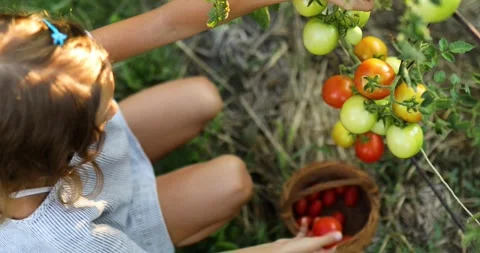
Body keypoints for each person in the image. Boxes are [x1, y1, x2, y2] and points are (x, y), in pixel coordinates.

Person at [0, 0, 373, 252]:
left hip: (87, 172)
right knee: (233, 180)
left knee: (201, 98)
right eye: (103, 111)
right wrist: (279, 248)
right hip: (107, 218)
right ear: (69, 153)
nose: (113, 110)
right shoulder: (69, 241)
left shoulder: (39, 69)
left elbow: (168, 21)